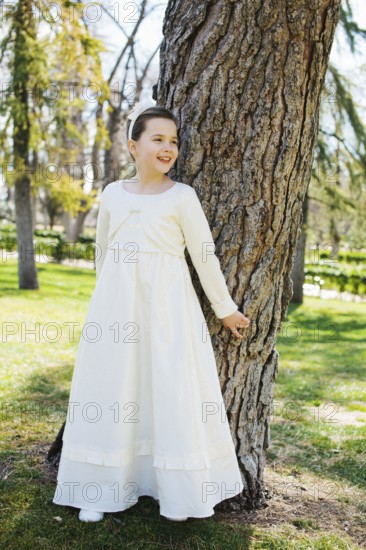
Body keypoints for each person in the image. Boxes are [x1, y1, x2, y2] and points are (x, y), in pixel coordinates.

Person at [52, 98, 250, 523]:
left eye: (173, 141)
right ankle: (98, 488)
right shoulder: (111, 194)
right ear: (133, 146)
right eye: (157, 139)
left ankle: (174, 489)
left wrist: (225, 309)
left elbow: (204, 256)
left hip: (168, 308)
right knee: (112, 388)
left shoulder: (182, 196)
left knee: (168, 385)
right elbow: (103, 253)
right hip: (115, 308)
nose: (167, 148)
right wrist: (110, 300)